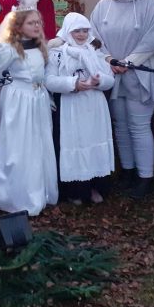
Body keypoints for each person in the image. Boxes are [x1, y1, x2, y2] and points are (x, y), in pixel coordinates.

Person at [89, 0, 154, 199]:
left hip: (140, 74)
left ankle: (145, 176)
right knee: (121, 126)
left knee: (139, 126)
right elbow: (94, 39)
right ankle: (127, 171)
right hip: (114, 74)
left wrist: (130, 62)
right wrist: (108, 60)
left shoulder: (150, 2)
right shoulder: (103, 6)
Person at [0, 9, 57, 216]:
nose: (36, 26)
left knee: (39, 145)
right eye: (31, 23)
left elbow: (41, 76)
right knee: (19, 148)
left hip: (38, 100)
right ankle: (17, 197)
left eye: (38, 22)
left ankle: (41, 193)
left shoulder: (40, 46)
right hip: (18, 102)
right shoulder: (8, 50)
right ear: (18, 27)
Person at [45, 13, 115, 204]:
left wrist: (98, 81)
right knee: (76, 144)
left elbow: (110, 80)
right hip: (72, 107)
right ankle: (76, 191)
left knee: (94, 142)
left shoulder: (96, 51)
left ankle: (96, 187)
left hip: (94, 106)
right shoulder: (58, 53)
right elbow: (50, 80)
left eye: (85, 30)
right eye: (77, 30)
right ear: (68, 31)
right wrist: (73, 83)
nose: (82, 34)